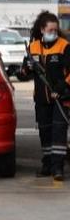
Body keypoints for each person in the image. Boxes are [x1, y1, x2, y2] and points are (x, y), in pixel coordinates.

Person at [20, 11, 70, 180]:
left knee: (59, 133)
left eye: (56, 30)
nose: (53, 33)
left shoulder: (64, 46)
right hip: (41, 99)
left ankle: (58, 169)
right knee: (45, 132)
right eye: (50, 30)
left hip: (61, 99)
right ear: (42, 29)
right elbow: (23, 74)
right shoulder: (33, 47)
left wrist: (62, 88)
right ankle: (47, 166)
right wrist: (26, 67)